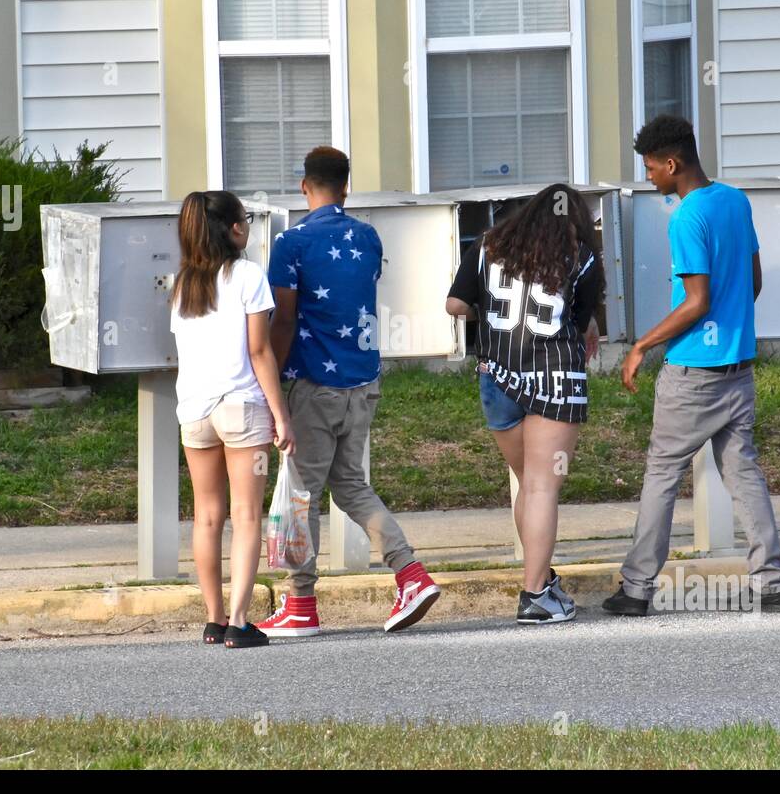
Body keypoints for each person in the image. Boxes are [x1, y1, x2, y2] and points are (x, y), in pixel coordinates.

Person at [605, 115, 780, 616]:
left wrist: (641, 345)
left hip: (692, 372)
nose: (649, 177)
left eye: (651, 168)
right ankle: (773, 586)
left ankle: (637, 589)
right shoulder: (735, 200)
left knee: (662, 473)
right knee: (743, 473)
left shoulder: (686, 218)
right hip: (739, 368)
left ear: (673, 163)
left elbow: (696, 301)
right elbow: (752, 282)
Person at [257, 146, 440, 637]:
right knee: (351, 486)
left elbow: (286, 316)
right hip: (363, 382)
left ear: (303, 186)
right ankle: (410, 573)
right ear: (346, 187)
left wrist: (269, 372)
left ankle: (300, 604)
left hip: (312, 385)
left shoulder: (290, 243)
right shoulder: (368, 236)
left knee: (299, 494)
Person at [446, 183, 605, 624]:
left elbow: (455, 303)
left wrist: (491, 312)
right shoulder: (581, 256)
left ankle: (542, 580)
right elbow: (578, 318)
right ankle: (535, 594)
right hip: (555, 376)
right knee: (541, 487)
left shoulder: (488, 245)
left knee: (528, 483)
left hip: (496, 377)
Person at [170, 190, 294, 649]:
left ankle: (213, 619)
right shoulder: (247, 276)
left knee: (206, 517)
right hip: (242, 408)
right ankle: (240, 623)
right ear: (233, 229)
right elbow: (260, 351)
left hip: (194, 412)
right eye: (244, 220)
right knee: (245, 516)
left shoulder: (183, 283)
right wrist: (282, 415)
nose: (247, 227)